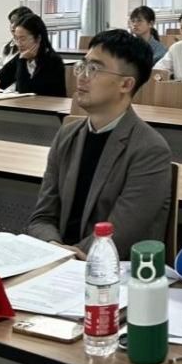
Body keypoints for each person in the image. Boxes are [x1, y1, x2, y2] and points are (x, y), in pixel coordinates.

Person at [26, 29, 171, 256]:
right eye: (83, 66)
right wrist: (53, 247)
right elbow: (42, 217)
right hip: (57, 260)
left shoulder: (150, 149)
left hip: (109, 270)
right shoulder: (67, 135)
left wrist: (69, 256)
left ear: (126, 84)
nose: (82, 76)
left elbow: (121, 234)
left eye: (94, 69)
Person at [0, 13, 66, 96]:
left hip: (47, 104)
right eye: (16, 38)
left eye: (22, 39)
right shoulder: (20, 57)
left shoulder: (52, 61)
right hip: (25, 104)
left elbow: (25, 91)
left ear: (38, 38)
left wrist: (22, 61)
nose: (18, 44)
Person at [0, 6, 33, 73]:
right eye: (11, 22)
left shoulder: (33, 48)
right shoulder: (6, 47)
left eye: (17, 22)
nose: (13, 26)